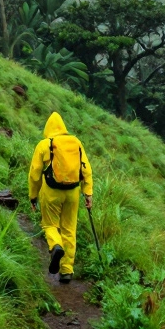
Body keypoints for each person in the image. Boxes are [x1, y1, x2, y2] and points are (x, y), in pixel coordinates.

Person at [28, 111, 93, 283]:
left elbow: (34, 174)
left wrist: (33, 196)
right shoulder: (76, 142)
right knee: (69, 229)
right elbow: (86, 170)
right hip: (73, 192)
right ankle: (66, 271)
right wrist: (88, 193)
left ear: (47, 128)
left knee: (49, 224)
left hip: (51, 192)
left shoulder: (44, 144)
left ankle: (55, 246)